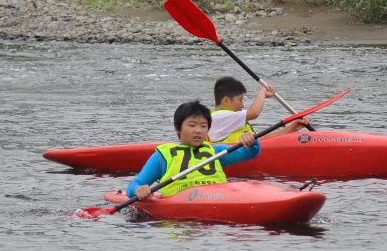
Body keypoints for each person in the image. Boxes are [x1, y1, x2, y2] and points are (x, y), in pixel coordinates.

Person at [127, 100, 260, 200]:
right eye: (192, 125)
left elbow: (250, 153)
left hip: (218, 198)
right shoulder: (162, 156)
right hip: (180, 206)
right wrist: (138, 190)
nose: (198, 130)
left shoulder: (216, 151)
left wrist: (252, 140)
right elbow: (134, 185)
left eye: (203, 126)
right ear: (177, 128)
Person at [208, 76, 310, 143]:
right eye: (240, 100)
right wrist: (263, 92)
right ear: (226, 101)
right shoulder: (218, 117)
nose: (242, 105)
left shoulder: (230, 121)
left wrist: (293, 128)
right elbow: (254, 113)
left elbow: (263, 140)